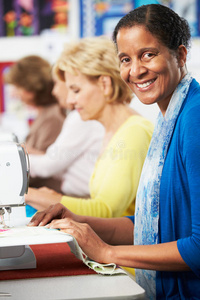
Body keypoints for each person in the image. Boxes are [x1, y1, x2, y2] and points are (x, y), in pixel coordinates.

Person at [29, 4, 200, 299]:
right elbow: (152, 224)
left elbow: (198, 248)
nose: (135, 70)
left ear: (180, 55)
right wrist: (80, 220)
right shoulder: (169, 118)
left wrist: (107, 251)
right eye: (125, 59)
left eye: (148, 54)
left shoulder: (194, 119)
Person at [25, 36, 153, 218]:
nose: (70, 100)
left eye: (76, 90)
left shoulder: (134, 132)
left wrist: (27, 194)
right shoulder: (111, 131)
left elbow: (105, 212)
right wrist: (51, 197)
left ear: (104, 84)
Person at [27, 74, 105, 199]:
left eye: (56, 83)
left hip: (84, 198)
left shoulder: (80, 118)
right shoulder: (79, 116)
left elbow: (48, 166)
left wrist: (18, 159)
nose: (54, 91)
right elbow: (61, 161)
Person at [4, 55, 65, 192]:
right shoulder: (44, 114)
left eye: (18, 87)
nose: (15, 94)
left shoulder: (52, 118)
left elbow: (49, 164)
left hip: (48, 194)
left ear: (30, 89)